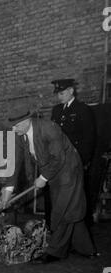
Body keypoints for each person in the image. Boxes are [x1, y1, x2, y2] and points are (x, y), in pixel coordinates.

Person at [2, 109, 98, 264]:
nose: (13, 129)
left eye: (16, 126)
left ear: (27, 121)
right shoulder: (19, 135)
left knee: (61, 210)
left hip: (68, 169)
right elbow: (15, 163)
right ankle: (86, 248)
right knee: (70, 207)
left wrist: (43, 177)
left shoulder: (49, 128)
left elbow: (59, 158)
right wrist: (8, 191)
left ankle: (55, 252)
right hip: (52, 171)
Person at [51, 79, 96, 225]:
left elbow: (89, 139)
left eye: (62, 93)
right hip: (60, 162)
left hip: (76, 161)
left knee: (77, 199)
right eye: (57, 94)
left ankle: (81, 227)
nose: (59, 97)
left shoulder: (83, 109)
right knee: (61, 198)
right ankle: (62, 227)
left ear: (71, 91)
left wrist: (83, 162)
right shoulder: (56, 110)